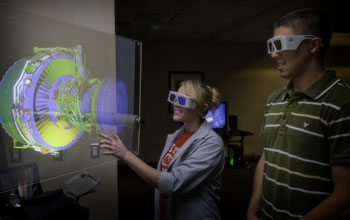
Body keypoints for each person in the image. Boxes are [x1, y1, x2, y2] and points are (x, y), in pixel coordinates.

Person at [247, 8, 350, 220]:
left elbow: (345, 194)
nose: (273, 54)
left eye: (281, 45)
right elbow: (267, 156)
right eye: (271, 46)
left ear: (313, 45)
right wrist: (252, 210)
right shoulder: (274, 99)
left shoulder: (342, 102)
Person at [99, 79, 225, 220]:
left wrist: (126, 155)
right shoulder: (178, 135)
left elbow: (171, 184)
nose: (175, 104)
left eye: (183, 100)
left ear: (201, 109)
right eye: (175, 97)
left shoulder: (212, 143)